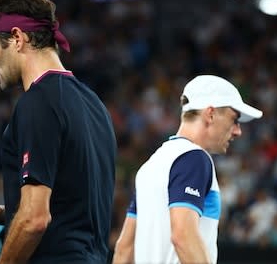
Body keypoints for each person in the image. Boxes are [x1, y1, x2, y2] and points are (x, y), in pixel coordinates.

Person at [0, 0, 117, 263]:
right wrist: (11, 213)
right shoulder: (94, 103)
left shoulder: (37, 103)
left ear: (17, 37)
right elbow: (73, 203)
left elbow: (34, 219)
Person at [112, 75, 263, 264]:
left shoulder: (151, 165)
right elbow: (183, 236)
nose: (238, 131)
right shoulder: (194, 158)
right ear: (210, 114)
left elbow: (124, 249)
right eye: (234, 119)